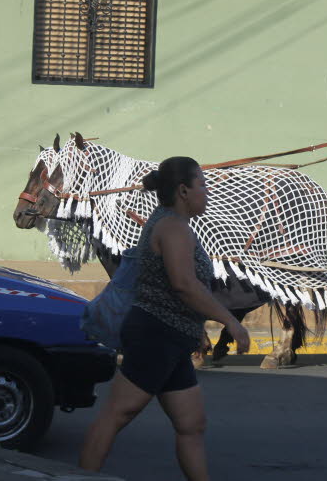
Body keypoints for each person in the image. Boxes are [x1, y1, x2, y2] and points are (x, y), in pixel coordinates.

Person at [78, 156, 251, 479]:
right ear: (183, 191)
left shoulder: (174, 224)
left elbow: (183, 288)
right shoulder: (172, 228)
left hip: (172, 340)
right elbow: (184, 284)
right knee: (116, 414)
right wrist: (231, 321)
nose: (207, 191)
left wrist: (201, 325)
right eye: (202, 184)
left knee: (192, 425)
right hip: (155, 337)